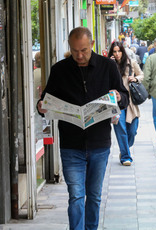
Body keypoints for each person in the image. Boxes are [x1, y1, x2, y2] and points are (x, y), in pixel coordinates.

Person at [37, 27, 129, 230]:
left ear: (92, 45)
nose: (79, 55)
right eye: (75, 50)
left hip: (99, 143)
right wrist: (41, 106)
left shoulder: (107, 66)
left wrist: (119, 97)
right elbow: (46, 100)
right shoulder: (60, 69)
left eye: (84, 50)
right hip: (71, 144)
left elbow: (124, 98)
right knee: (76, 195)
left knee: (94, 196)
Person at [108, 42, 144, 166]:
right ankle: (125, 156)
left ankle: (125, 149)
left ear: (123, 52)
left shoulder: (131, 63)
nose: (117, 54)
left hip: (130, 102)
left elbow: (141, 74)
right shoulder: (109, 65)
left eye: (119, 51)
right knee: (121, 129)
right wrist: (109, 64)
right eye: (114, 51)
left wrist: (135, 78)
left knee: (132, 130)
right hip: (116, 102)